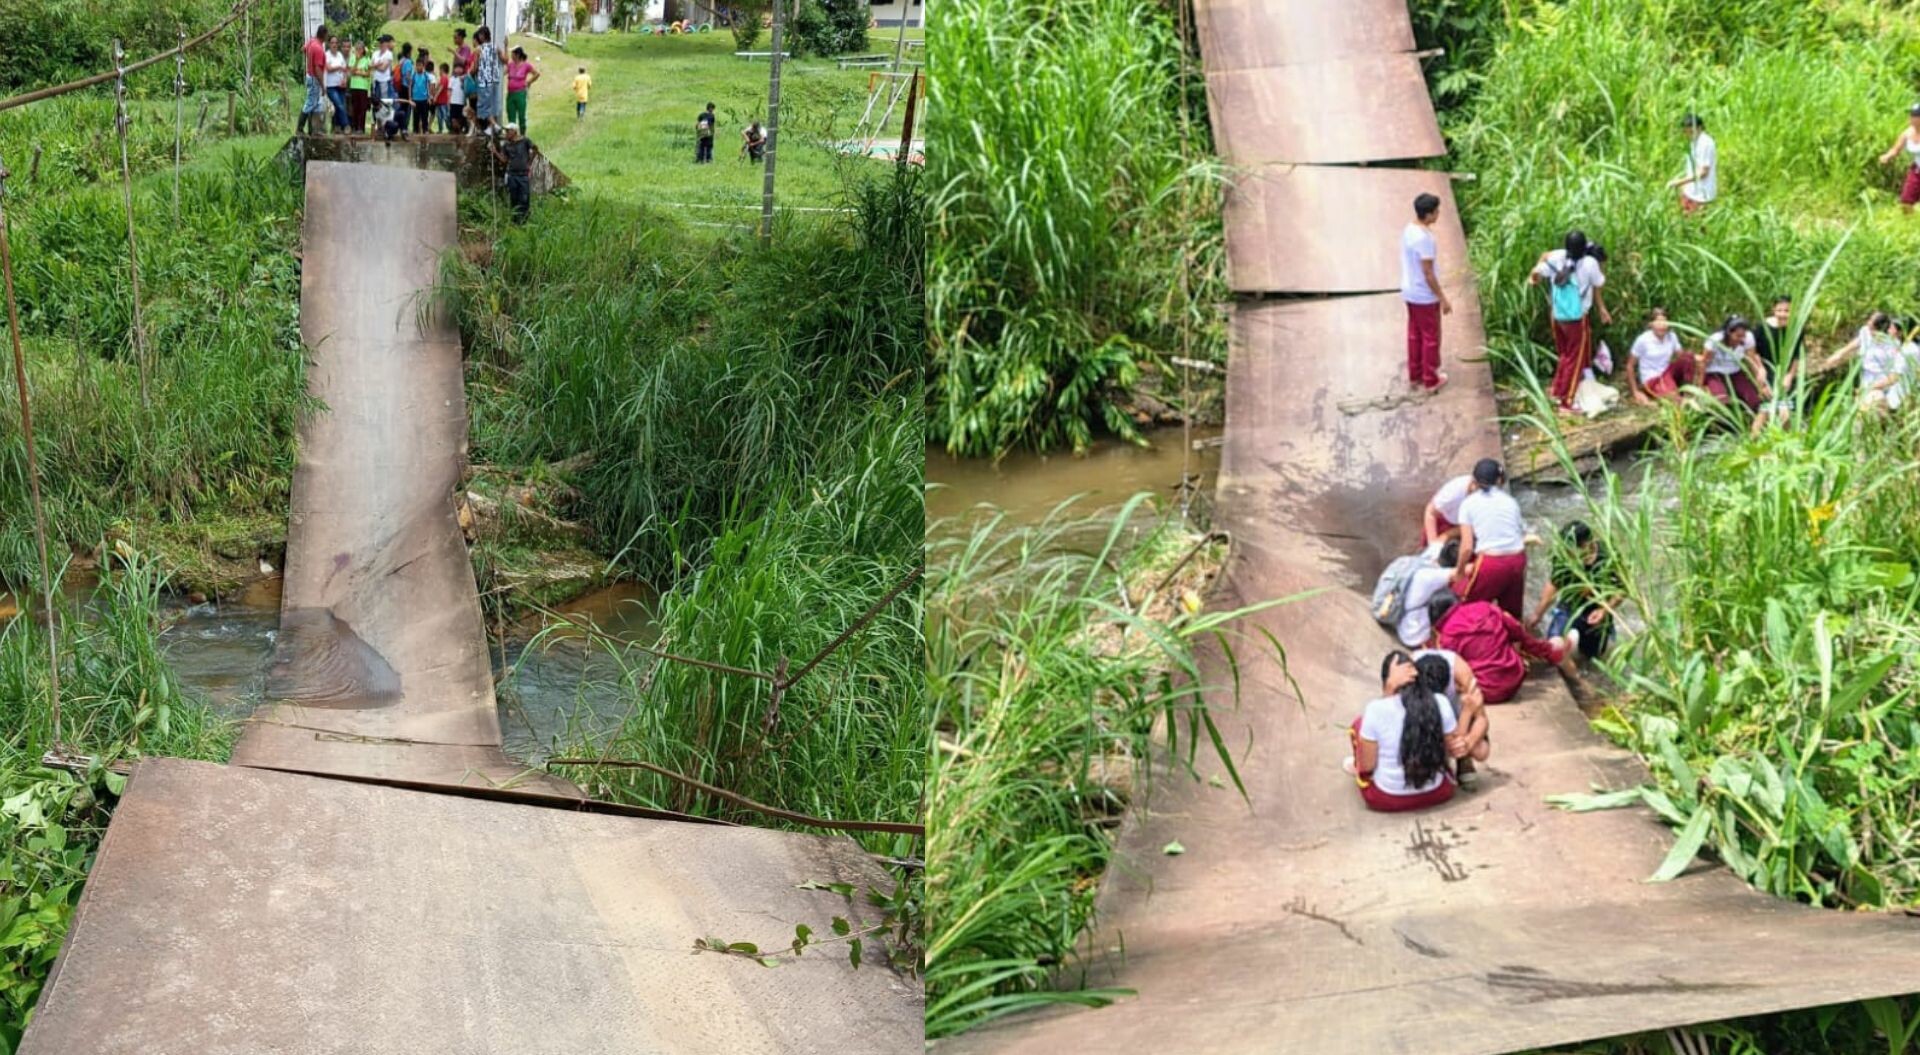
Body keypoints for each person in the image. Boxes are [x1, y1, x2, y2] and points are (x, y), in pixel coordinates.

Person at [1347, 652, 1459, 813]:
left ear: (1387, 682)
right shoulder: (1441, 702)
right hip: (1438, 793)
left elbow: (1368, 766)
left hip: (1386, 799)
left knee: (1358, 725)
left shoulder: (1375, 709)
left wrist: (1389, 688)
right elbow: (1450, 751)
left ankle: (1354, 764)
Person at [1428, 592, 1574, 705]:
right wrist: (1549, 651)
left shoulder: (1446, 637)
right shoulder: (1486, 608)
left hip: (1482, 690)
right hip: (1514, 679)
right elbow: (1519, 633)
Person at [1528, 229, 1610, 416]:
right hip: (1575, 319)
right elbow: (1599, 282)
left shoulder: (1557, 257)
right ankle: (1567, 402)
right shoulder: (1590, 263)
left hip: (1557, 316)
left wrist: (1533, 278)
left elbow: (1537, 271)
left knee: (1565, 355)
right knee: (1575, 359)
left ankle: (1557, 390)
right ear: (1584, 249)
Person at [1528, 521, 1618, 662]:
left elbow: (1622, 589)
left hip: (1597, 609)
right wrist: (1537, 614)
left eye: (1571, 549)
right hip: (1569, 604)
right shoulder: (1564, 557)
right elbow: (1554, 583)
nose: (1567, 553)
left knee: (1591, 658)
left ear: (1587, 544)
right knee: (1554, 647)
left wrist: (1603, 611)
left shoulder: (1608, 556)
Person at [1451, 458, 1528, 620]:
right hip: (1517, 559)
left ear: (1475, 480)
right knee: (1511, 614)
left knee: (1469, 606)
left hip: (1492, 563)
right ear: (1499, 480)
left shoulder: (1468, 504)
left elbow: (1466, 547)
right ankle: (1515, 642)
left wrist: (1459, 572)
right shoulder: (1511, 502)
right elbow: (1520, 533)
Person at [1400, 192, 1452, 393]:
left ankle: (1416, 374)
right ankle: (1430, 378)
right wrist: (1442, 298)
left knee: (1415, 334)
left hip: (1409, 290)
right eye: (1436, 211)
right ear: (1428, 215)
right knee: (1431, 336)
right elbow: (1428, 272)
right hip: (1424, 295)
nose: (1438, 214)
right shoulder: (1425, 239)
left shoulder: (1409, 229)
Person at [1821, 311, 1910, 411]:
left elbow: (1894, 377)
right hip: (1866, 380)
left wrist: (1871, 388)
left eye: (1871, 326)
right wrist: (1838, 354)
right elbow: (1857, 342)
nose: (1868, 327)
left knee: (1871, 406)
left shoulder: (1893, 345)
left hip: (1882, 384)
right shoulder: (1865, 332)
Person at [1751, 295, 1806, 433]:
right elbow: (1753, 352)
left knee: (1786, 413)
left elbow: (1797, 356)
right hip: (1767, 372)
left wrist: (1790, 376)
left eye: (1787, 311)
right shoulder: (1762, 327)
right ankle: (1752, 444)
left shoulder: (1796, 328)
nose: (1783, 314)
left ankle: (1784, 445)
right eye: (1779, 310)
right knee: (1765, 412)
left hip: (1785, 373)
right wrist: (1760, 372)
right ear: (1773, 310)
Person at [1394, 540, 1460, 649]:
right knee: (1449, 598)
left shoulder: (1429, 555)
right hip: (1412, 634)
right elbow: (1464, 571)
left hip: (1400, 617)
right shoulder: (1437, 576)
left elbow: (1440, 539)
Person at [1699, 315, 1770, 411]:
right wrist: (1699, 385)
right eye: (1738, 336)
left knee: (1754, 400)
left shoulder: (1748, 338)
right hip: (1715, 372)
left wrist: (1761, 384)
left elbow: (1751, 360)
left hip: (1735, 371)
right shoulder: (1715, 340)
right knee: (1722, 401)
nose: (1741, 339)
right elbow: (1704, 363)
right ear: (1729, 333)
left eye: (1743, 335)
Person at [1626, 308, 1694, 404]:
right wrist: (1635, 391)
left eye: (1664, 322)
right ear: (1651, 324)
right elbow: (1630, 366)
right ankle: (1676, 395)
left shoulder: (1671, 336)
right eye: (1658, 322)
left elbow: (1682, 357)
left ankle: (1688, 391)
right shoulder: (1643, 340)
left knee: (1688, 356)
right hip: (1653, 379)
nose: (1661, 326)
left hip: (1667, 373)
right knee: (1675, 399)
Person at [489, 122, 535, 224]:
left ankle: (524, 221)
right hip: (512, 175)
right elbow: (504, 160)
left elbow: (534, 150)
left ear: (514, 131)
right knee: (514, 198)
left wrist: (529, 164)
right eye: (505, 131)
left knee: (524, 198)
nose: (506, 133)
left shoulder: (525, 141)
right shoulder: (506, 145)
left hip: (523, 175)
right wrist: (495, 152)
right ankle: (515, 221)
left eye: (508, 131)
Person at [1671, 113, 1717, 212]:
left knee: (1697, 224)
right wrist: (1685, 185)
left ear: (1699, 128)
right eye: (1686, 132)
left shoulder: (1705, 143)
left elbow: (1703, 172)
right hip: (1691, 191)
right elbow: (1693, 168)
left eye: (1691, 131)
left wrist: (1680, 182)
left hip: (1701, 195)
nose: (1688, 135)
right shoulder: (1694, 141)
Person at [1879, 104, 1920, 213]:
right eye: (1911, 115)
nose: (1912, 119)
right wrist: (1887, 156)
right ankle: (1908, 224)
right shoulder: (1907, 133)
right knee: (1906, 201)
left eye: (1915, 116)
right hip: (1917, 171)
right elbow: (1895, 149)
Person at [1421, 472, 1472, 545]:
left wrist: (1444, 536)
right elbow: (1431, 512)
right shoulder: (1453, 493)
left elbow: (1472, 526)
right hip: (1442, 519)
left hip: (1464, 527)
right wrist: (1432, 543)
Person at [299, 25, 330, 136]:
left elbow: (303, 49)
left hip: (309, 75)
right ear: (324, 34)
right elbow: (318, 69)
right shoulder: (318, 49)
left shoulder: (312, 42)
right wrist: (322, 85)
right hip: (314, 78)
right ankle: (299, 129)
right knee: (310, 103)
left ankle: (314, 130)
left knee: (315, 104)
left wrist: (309, 57)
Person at [472, 27, 502, 133]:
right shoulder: (496, 47)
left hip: (484, 80)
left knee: (483, 104)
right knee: (492, 103)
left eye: (480, 35)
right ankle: (490, 126)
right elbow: (504, 59)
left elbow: (475, 68)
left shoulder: (478, 49)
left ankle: (494, 125)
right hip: (495, 79)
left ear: (482, 35)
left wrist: (468, 75)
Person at [505, 47, 539, 132]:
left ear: (517, 55)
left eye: (513, 54)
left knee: (521, 115)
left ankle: (522, 134)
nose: (511, 56)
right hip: (510, 94)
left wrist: (529, 82)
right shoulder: (510, 65)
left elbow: (536, 74)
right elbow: (503, 72)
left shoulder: (526, 65)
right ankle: (512, 135)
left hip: (520, 93)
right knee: (511, 115)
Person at [324, 38, 349, 132]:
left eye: (336, 43)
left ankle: (337, 127)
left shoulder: (339, 55)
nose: (334, 44)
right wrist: (339, 67)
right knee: (339, 105)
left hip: (341, 85)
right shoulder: (326, 55)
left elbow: (345, 69)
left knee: (340, 106)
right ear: (329, 44)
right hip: (331, 86)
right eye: (332, 43)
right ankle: (346, 125)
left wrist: (345, 80)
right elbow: (328, 68)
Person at [348, 41, 373, 134]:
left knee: (362, 108)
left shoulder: (367, 59)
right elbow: (352, 71)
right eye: (357, 48)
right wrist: (357, 61)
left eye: (360, 49)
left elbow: (368, 73)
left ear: (363, 50)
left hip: (363, 87)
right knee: (355, 107)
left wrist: (360, 72)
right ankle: (354, 127)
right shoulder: (352, 58)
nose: (358, 50)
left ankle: (361, 128)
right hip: (354, 86)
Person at [411, 58, 435, 135]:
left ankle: (425, 129)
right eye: (417, 66)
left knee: (425, 115)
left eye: (420, 66)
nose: (419, 67)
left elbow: (428, 86)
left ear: (423, 66)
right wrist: (410, 97)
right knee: (416, 116)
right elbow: (410, 86)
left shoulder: (426, 75)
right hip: (415, 99)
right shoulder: (414, 75)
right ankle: (415, 130)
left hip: (424, 99)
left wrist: (429, 97)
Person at [372, 35, 395, 107]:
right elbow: (370, 66)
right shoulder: (375, 53)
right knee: (375, 100)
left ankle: (385, 116)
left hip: (384, 81)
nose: (380, 44)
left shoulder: (389, 54)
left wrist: (375, 65)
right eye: (379, 42)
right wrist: (378, 64)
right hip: (376, 80)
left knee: (384, 100)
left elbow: (383, 69)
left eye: (382, 42)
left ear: (386, 43)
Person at [432, 58, 451, 133]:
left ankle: (449, 128)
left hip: (443, 101)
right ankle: (440, 129)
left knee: (444, 116)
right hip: (440, 101)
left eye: (440, 70)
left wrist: (435, 97)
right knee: (440, 116)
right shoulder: (444, 78)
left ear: (442, 70)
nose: (439, 72)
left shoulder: (444, 78)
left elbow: (441, 88)